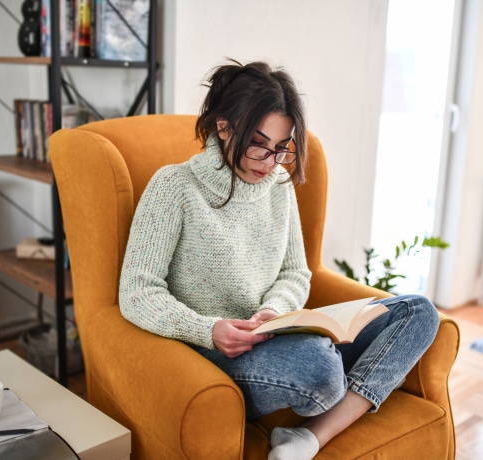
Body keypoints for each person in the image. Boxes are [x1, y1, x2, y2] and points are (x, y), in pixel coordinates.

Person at [119, 59, 439, 460]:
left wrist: (275, 310)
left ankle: (308, 438)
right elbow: (137, 291)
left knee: (419, 311)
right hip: (216, 355)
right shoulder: (174, 186)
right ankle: (328, 386)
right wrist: (209, 329)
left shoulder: (277, 186)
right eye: (258, 143)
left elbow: (295, 273)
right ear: (223, 125)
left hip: (278, 337)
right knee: (320, 371)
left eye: (281, 149)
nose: (268, 161)